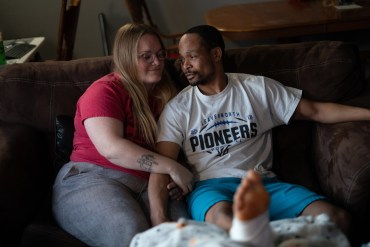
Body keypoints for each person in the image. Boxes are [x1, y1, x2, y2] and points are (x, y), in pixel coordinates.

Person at [149, 25, 370, 244]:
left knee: (337, 220)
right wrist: (159, 218)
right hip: (212, 189)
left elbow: (316, 110)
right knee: (230, 225)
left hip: (263, 184)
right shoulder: (179, 108)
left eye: (192, 57)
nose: (184, 65)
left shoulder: (256, 88)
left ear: (216, 54)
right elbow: (160, 164)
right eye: (182, 58)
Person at [52, 23, 193, 247]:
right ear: (127, 58)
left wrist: (174, 174)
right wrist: (172, 167)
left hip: (150, 184)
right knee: (130, 232)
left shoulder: (167, 93)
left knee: (183, 237)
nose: (157, 62)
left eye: (159, 54)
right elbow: (112, 149)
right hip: (92, 178)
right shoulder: (104, 91)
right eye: (146, 57)